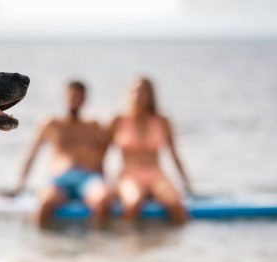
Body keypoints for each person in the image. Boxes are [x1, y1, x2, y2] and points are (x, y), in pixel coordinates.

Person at [11, 81, 111, 228]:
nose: (74, 100)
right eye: (71, 96)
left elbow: (100, 158)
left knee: (102, 200)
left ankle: (97, 241)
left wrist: (104, 182)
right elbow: (32, 155)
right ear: (65, 97)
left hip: (88, 178)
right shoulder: (51, 124)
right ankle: (40, 240)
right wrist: (20, 186)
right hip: (60, 179)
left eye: (78, 97)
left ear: (85, 99)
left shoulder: (93, 125)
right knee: (45, 203)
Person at [108, 77, 191, 224]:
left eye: (143, 92)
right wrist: (105, 182)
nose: (138, 96)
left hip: (156, 175)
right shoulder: (118, 120)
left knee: (175, 205)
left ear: (151, 96)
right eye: (135, 91)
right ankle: (128, 237)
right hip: (128, 175)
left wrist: (186, 183)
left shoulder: (162, 121)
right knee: (133, 203)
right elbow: (102, 152)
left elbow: (174, 154)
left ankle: (175, 238)